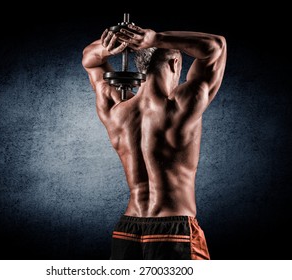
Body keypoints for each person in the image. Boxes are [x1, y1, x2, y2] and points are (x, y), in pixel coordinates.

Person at [82, 23, 227, 260]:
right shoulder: (183, 107)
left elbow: (90, 60)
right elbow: (216, 46)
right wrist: (156, 38)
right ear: (174, 64)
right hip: (173, 230)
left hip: (128, 229)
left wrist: (113, 45)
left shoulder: (115, 111)